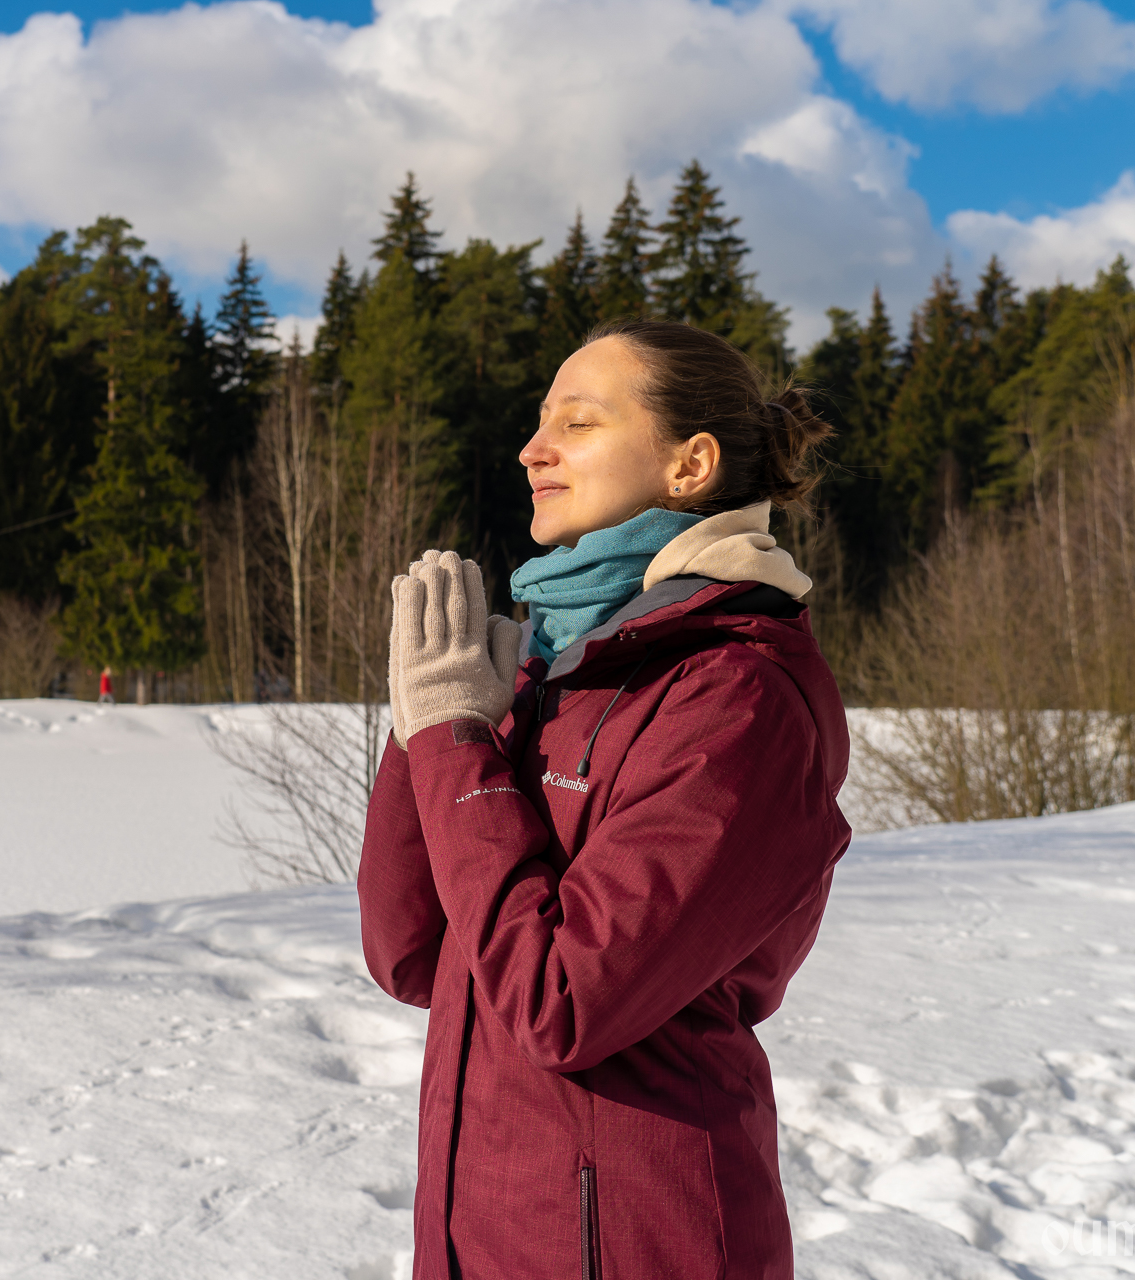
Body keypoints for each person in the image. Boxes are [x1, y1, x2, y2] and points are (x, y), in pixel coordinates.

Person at [359, 318, 851, 1280]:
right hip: (480, 1238)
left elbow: (561, 1002)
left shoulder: (736, 698)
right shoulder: (553, 668)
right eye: (540, 422)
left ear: (690, 465)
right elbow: (411, 951)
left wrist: (456, 743)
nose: (531, 449)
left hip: (643, 1243)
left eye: (576, 423)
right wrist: (427, 725)